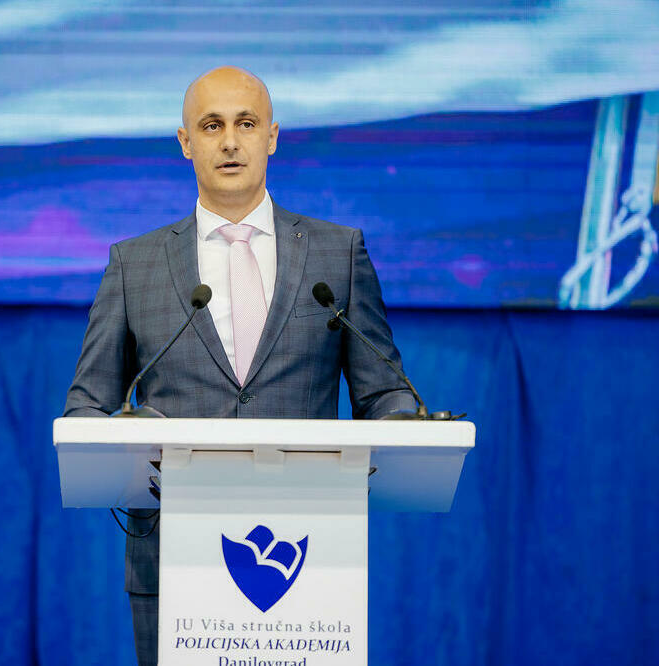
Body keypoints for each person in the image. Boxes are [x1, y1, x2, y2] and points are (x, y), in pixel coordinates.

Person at [63, 66, 416, 666]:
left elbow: (382, 390)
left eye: (246, 124)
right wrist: (128, 436)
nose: (230, 141)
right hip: (172, 562)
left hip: (308, 554)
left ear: (272, 137)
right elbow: (86, 407)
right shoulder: (133, 265)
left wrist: (404, 419)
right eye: (212, 126)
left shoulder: (338, 254)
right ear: (185, 142)